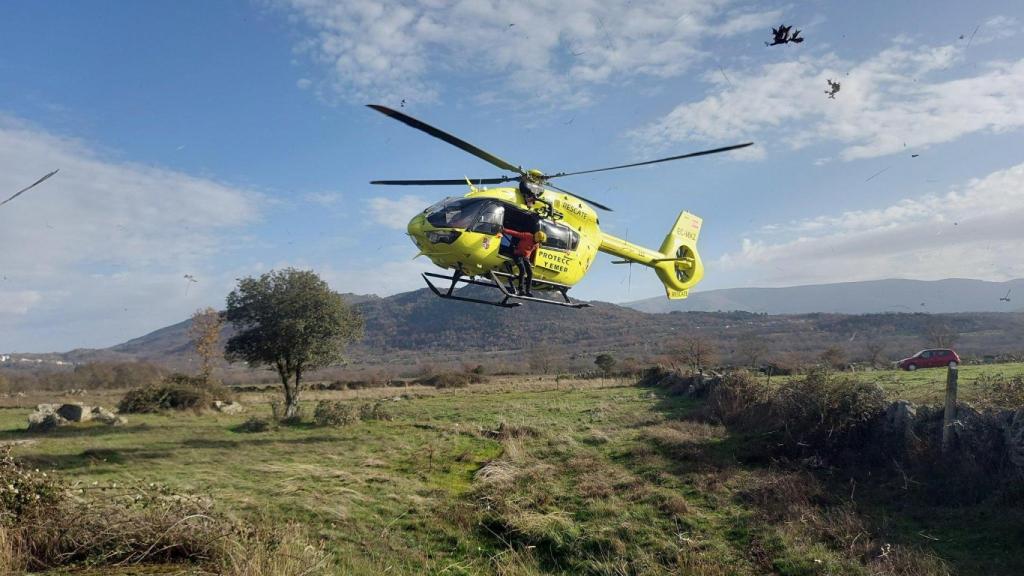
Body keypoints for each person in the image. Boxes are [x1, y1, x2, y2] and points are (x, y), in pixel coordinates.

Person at [501, 226, 546, 297]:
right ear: (537, 237)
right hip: (517, 254)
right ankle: (520, 289)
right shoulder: (528, 236)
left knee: (530, 273)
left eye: (541, 242)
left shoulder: (536, 244)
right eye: (540, 241)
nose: (539, 242)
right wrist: (504, 230)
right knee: (522, 270)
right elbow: (516, 233)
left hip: (525, 258)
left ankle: (528, 291)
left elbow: (534, 253)